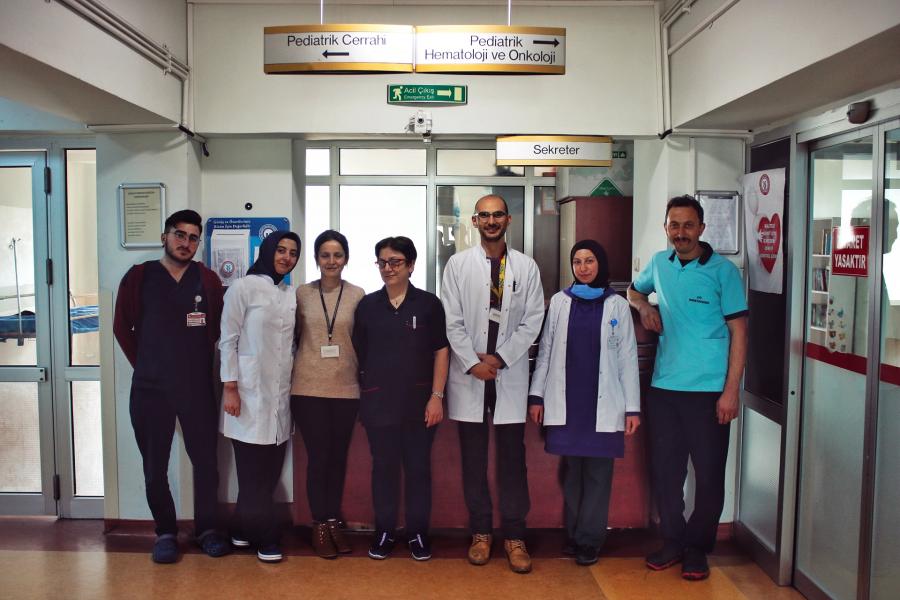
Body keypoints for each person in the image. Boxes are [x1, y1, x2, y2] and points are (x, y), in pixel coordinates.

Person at [627, 195, 748, 581]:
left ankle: (698, 547)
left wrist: (731, 391)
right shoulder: (659, 263)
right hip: (664, 388)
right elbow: (633, 290)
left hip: (710, 391)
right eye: (674, 225)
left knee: (709, 474)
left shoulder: (723, 272)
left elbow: (740, 333)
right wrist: (645, 307)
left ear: (701, 228)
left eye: (688, 225)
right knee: (666, 473)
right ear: (666, 228)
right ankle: (673, 541)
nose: (681, 233)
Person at [113, 209, 229, 564]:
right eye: (180, 234)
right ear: (165, 236)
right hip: (151, 388)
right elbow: (122, 327)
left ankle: (207, 530)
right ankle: (165, 532)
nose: (186, 242)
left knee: (207, 465)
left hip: (197, 387)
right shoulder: (139, 277)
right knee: (154, 467)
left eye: (193, 238)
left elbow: (217, 331)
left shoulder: (207, 280)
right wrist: (148, 365)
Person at [441, 194, 545, 574]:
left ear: (508, 220)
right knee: (474, 461)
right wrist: (472, 363)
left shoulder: (526, 267)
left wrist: (500, 359)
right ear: (474, 221)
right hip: (470, 376)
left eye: (497, 215)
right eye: (484, 215)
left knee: (512, 461)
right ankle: (481, 533)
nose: (490, 221)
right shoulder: (457, 265)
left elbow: (533, 320)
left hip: (507, 373)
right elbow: (450, 319)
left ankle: (515, 536)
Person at [527, 240, 640, 567]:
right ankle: (575, 535)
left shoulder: (616, 305)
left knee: (598, 475)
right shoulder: (560, 302)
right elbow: (546, 351)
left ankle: (590, 540)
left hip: (604, 403)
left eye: (589, 260)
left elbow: (627, 358)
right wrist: (537, 396)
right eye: (577, 261)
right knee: (572, 472)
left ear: (600, 264)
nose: (583, 267)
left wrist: (632, 408)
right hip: (568, 401)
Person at [351, 236, 449, 562]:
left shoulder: (428, 304)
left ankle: (418, 534)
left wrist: (436, 397)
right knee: (384, 470)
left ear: (411, 266)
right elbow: (360, 353)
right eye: (382, 262)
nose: (388, 268)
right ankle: (385, 532)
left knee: (418, 470)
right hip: (379, 404)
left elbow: (441, 351)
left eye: (395, 262)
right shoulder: (368, 306)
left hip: (420, 405)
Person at [219, 230, 301, 563]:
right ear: (267, 251)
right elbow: (228, 340)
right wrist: (230, 387)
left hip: (280, 397)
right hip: (246, 397)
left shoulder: (291, 294)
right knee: (253, 476)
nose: (286, 257)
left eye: (292, 253)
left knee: (268, 474)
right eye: (280, 250)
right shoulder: (242, 287)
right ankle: (267, 537)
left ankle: (240, 529)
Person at [290, 230, 365, 559]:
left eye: (337, 255)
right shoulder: (302, 294)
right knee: (319, 458)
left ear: (346, 258)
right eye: (325, 255)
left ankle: (333, 522)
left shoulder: (358, 295)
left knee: (337, 459)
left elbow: (362, 340)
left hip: (346, 389)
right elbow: (292, 337)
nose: (331, 261)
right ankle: (319, 524)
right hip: (307, 389)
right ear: (316, 259)